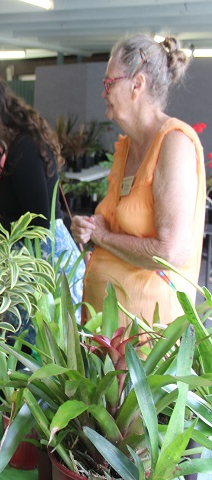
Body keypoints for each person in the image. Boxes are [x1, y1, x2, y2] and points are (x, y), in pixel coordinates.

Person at [71, 34, 205, 324]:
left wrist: (103, 236)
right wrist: (91, 229)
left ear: (137, 84)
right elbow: (119, 226)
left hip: (146, 341)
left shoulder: (174, 143)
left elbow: (170, 252)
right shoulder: (126, 146)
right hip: (106, 331)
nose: (103, 93)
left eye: (109, 84)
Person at [0, 73, 85, 311]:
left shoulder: (24, 148)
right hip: (39, 263)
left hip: (49, 268)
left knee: (45, 345)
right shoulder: (17, 143)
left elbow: (39, 221)